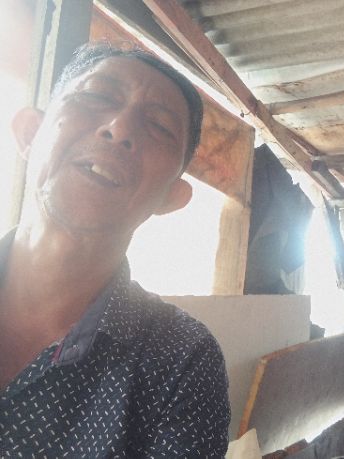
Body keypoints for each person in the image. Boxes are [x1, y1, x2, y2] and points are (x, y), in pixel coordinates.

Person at [0, 44, 230, 456]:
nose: (120, 128)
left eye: (159, 126)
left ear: (171, 197)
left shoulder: (181, 359)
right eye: (97, 96)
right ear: (30, 133)